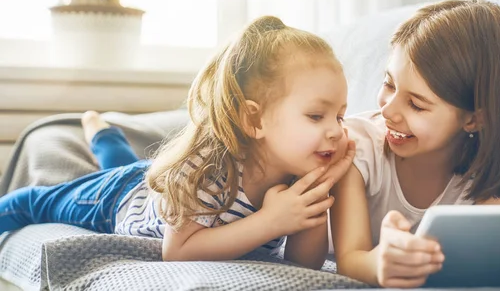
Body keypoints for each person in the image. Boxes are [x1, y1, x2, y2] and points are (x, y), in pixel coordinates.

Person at [0, 16, 354, 270]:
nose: (337, 131)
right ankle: (101, 133)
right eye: (316, 116)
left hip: (152, 186)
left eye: (340, 116)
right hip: (118, 199)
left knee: (123, 162)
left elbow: (301, 266)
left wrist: (315, 202)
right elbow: (179, 251)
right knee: (39, 201)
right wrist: (271, 221)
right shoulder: (209, 169)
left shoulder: (296, 173)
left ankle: (105, 134)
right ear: (253, 120)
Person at [330, 0, 500, 288]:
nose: (388, 110)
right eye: (389, 84)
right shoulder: (356, 147)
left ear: (475, 119)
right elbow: (350, 259)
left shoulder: (486, 169)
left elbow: (488, 263)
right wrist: (380, 264)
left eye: (416, 104)